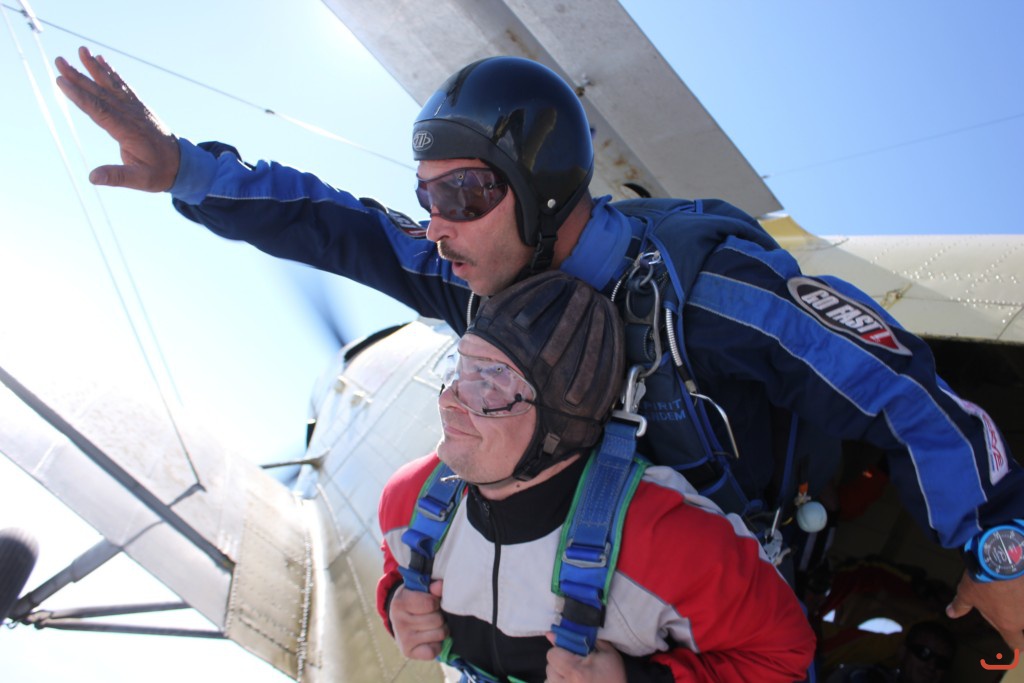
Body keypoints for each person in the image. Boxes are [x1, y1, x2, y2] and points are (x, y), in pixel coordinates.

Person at [54, 46, 1024, 648]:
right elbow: (338, 223)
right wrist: (185, 169)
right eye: (427, 194)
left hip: (757, 575)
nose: (436, 223)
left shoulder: (710, 288)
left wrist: (999, 546)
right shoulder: (477, 275)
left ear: (543, 188)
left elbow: (896, 387)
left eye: (463, 193)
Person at [378, 271, 816, 682]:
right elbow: (395, 562)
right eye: (461, 370)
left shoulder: (671, 543)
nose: (451, 401)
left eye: (492, 382)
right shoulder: (410, 502)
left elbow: (782, 655)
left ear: (558, 423)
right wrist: (396, 598)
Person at [824, 620, 956, 683]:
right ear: (903, 652)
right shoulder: (862, 677)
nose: (932, 666)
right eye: (924, 653)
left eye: (941, 662)